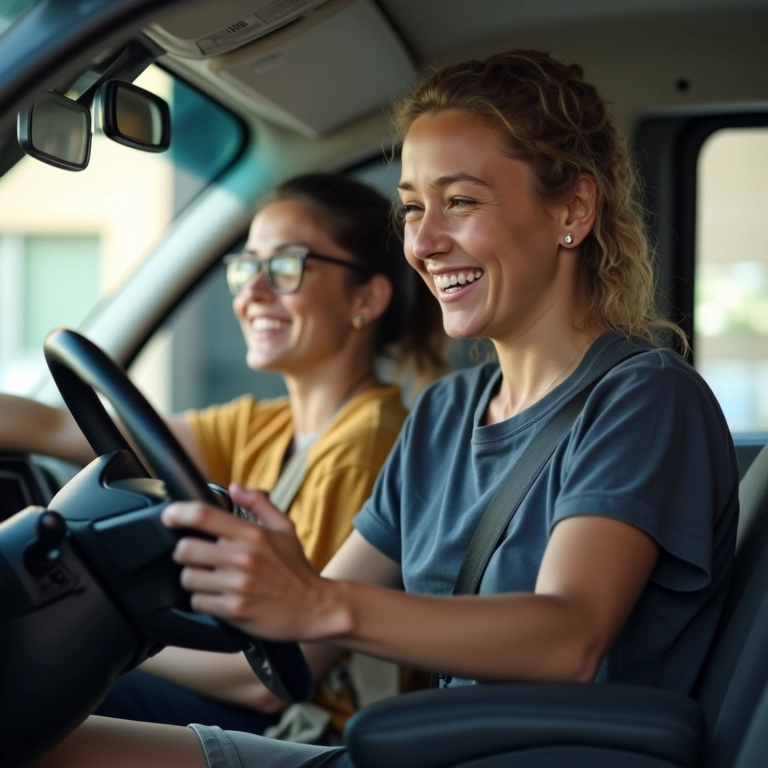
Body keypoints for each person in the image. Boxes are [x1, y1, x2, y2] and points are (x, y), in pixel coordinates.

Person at [31, 48, 739, 768]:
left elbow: (568, 639)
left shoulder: (643, 397)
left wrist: (314, 600)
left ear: (572, 210)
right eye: (412, 208)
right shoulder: (443, 414)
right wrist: (138, 623)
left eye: (460, 201)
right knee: (40, 739)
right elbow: (300, 645)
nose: (425, 243)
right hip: (430, 750)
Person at [0, 173, 447, 738]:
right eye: (246, 266)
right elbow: (53, 425)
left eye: (286, 267)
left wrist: (107, 625)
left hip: (306, 730)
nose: (252, 292)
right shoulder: (266, 425)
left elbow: (268, 681)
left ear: (367, 298)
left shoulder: (365, 447)